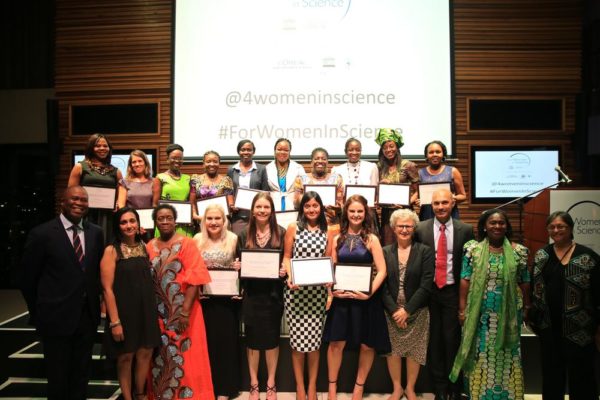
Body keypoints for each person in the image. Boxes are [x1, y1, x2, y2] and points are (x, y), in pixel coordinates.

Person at [20, 186, 104, 400]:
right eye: (75, 199)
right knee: (57, 378)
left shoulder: (96, 233)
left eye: (84, 200)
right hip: (55, 317)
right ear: (63, 202)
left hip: (87, 317)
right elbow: (28, 280)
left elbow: (95, 274)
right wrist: (39, 311)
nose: (80, 203)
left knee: (81, 375)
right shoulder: (42, 234)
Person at [450, 209, 531, 400]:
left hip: (509, 315)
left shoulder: (519, 251)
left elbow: (525, 280)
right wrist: (462, 309)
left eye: (501, 223)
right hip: (480, 314)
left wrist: (527, 306)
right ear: (484, 227)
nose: (497, 226)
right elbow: (465, 278)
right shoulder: (473, 249)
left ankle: (508, 395)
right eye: (492, 223)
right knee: (480, 353)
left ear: (506, 226)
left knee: (507, 353)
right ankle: (479, 394)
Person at [323, 195, 389, 400]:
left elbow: (383, 270)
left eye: (360, 211)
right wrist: (331, 290)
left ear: (366, 213)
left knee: (367, 344)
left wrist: (368, 293)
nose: (356, 215)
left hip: (365, 299)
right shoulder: (337, 238)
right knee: (336, 343)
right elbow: (331, 271)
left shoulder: (372, 239)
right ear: (346, 213)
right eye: (352, 211)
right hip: (342, 299)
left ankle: (358, 387)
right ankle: (332, 387)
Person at [146, 204, 214, 400]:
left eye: (169, 218)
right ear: (156, 222)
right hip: (159, 315)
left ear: (175, 221)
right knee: (162, 357)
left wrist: (184, 312)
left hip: (186, 312)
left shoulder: (187, 244)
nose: (165, 222)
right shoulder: (149, 246)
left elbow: (195, 279)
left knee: (188, 357)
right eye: (161, 218)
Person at [530, 211, 600, 400]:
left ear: (570, 228)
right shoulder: (542, 255)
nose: (556, 230)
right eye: (552, 227)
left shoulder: (588, 256)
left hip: (580, 330)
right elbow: (533, 288)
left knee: (582, 376)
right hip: (548, 327)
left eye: (561, 226)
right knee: (552, 376)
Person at [413, 189, 474, 400]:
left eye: (444, 203)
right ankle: (439, 388)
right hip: (428, 293)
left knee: (452, 339)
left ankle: (454, 387)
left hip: (452, 292)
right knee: (434, 341)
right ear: (431, 205)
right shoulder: (420, 228)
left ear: (452, 204)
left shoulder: (465, 230)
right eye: (436, 203)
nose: (440, 207)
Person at [100, 207, 160, 400]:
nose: (129, 225)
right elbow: (107, 289)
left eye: (132, 221)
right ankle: (127, 397)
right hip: (124, 313)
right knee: (125, 357)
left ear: (138, 223)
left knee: (145, 353)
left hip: (146, 310)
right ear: (118, 226)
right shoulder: (112, 250)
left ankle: (140, 393)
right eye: (124, 222)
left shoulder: (145, 246)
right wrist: (115, 322)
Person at [282, 192, 333, 400]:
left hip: (317, 294)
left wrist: (330, 283)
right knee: (297, 343)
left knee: (314, 343)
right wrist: (289, 277)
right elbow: (287, 257)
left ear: (321, 207)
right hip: (296, 293)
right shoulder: (294, 228)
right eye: (307, 206)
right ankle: (300, 387)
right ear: (302, 208)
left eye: (315, 205)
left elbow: (328, 260)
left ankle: (312, 386)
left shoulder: (329, 229)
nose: (312, 210)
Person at [236, 192, 286, 400]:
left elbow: (287, 261)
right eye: (259, 207)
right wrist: (237, 267)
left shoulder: (281, 233)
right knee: (253, 342)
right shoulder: (242, 234)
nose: (262, 211)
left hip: (273, 296)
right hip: (252, 296)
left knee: (272, 340)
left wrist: (284, 270)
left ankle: (271, 382)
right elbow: (239, 264)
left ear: (272, 210)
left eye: (266, 207)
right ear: (252, 210)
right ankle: (254, 383)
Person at [381, 209, 434, 400]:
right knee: (393, 351)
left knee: (415, 350)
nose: (404, 229)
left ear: (414, 228)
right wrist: (396, 311)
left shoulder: (425, 251)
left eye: (408, 226)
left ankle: (410, 388)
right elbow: (382, 286)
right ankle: (397, 388)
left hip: (417, 310)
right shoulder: (385, 251)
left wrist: (408, 310)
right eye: (401, 226)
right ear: (394, 228)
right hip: (391, 311)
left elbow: (427, 284)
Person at [193, 204, 241, 400]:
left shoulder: (233, 239)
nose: (213, 222)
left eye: (217, 218)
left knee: (226, 343)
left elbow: (240, 266)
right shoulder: (196, 239)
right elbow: (192, 268)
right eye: (209, 219)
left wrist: (239, 266)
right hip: (204, 301)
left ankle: (225, 389)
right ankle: (208, 388)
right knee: (207, 344)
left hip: (227, 300)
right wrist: (196, 291)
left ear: (224, 220)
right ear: (204, 221)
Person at [67, 133, 125, 235]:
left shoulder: (117, 172)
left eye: (105, 146)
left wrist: (118, 204)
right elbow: (70, 193)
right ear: (91, 148)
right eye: (97, 146)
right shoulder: (80, 167)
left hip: (107, 217)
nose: (102, 148)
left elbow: (122, 191)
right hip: (86, 214)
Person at [375, 128, 419, 246]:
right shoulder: (378, 167)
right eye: (385, 148)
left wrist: (407, 202)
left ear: (397, 147)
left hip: (405, 212)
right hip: (387, 214)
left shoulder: (408, 165)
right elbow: (377, 192)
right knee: (388, 244)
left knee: (406, 243)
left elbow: (418, 190)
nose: (388, 150)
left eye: (391, 146)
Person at [293, 147, 344, 230]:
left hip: (331, 224)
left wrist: (337, 207)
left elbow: (341, 204)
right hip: (307, 225)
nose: (320, 161)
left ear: (327, 162)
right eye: (316, 159)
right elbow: (296, 204)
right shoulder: (301, 179)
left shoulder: (337, 178)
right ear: (311, 161)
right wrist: (304, 198)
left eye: (323, 159)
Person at [227, 139, 270, 235]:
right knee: (238, 244)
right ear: (238, 151)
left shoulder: (261, 169)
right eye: (243, 149)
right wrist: (231, 205)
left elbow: (265, 191)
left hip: (257, 215)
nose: (246, 152)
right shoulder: (231, 169)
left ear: (253, 152)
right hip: (238, 216)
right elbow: (229, 191)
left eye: (249, 150)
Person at [416, 141, 466, 221]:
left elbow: (463, 196)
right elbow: (416, 195)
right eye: (431, 152)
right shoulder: (420, 173)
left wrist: (452, 198)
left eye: (438, 152)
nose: (434, 154)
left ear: (443, 154)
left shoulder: (453, 171)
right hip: (427, 215)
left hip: (449, 215)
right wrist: (418, 201)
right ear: (426, 155)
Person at [152, 144, 194, 236]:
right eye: (174, 158)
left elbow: (191, 203)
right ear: (167, 159)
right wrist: (163, 220)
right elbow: (155, 205)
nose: (177, 161)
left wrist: (190, 218)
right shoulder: (160, 178)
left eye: (180, 158)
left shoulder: (188, 178)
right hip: (165, 224)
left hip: (184, 225)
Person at [190, 150, 234, 224]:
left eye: (215, 161)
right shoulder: (195, 179)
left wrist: (232, 207)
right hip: (201, 221)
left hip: (220, 222)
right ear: (203, 164)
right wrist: (195, 215)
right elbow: (192, 203)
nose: (212, 164)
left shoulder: (226, 180)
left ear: (219, 164)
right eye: (208, 161)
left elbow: (230, 203)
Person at [266, 138, 306, 211]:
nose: (282, 152)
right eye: (279, 149)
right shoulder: (267, 168)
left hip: (293, 206)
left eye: (286, 150)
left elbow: (305, 188)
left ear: (290, 152)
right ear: (274, 151)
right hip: (273, 207)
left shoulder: (299, 168)